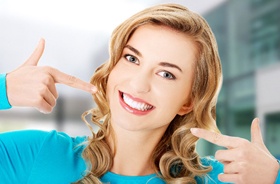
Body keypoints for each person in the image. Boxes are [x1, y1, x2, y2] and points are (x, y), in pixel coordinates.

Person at [0, 3, 279, 184]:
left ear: (189, 101)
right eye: (132, 59)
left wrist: (275, 177)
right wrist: (3, 89)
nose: (138, 84)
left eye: (166, 74)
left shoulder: (225, 178)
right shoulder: (36, 154)